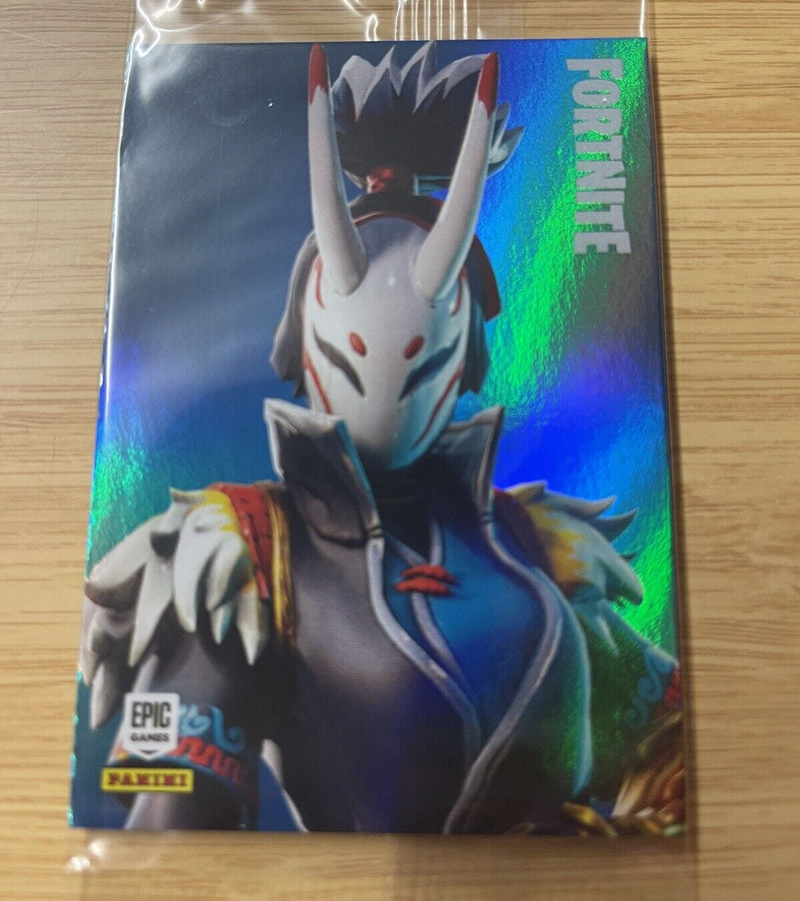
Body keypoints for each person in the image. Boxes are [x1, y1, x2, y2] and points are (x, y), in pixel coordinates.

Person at [81, 44, 683, 833]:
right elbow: (174, 823)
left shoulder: (532, 545)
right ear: (305, 338)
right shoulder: (245, 556)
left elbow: (665, 734)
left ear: (463, 352)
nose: (389, 372)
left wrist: (642, 826)